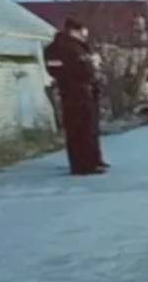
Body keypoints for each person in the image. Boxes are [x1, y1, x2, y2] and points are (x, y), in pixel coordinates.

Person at [43, 17, 105, 175]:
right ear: (73, 30)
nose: (85, 34)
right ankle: (82, 165)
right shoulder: (59, 48)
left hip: (87, 91)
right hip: (73, 92)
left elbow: (85, 65)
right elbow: (58, 69)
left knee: (90, 128)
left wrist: (93, 66)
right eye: (82, 31)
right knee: (78, 129)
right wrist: (83, 71)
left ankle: (93, 160)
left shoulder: (80, 46)